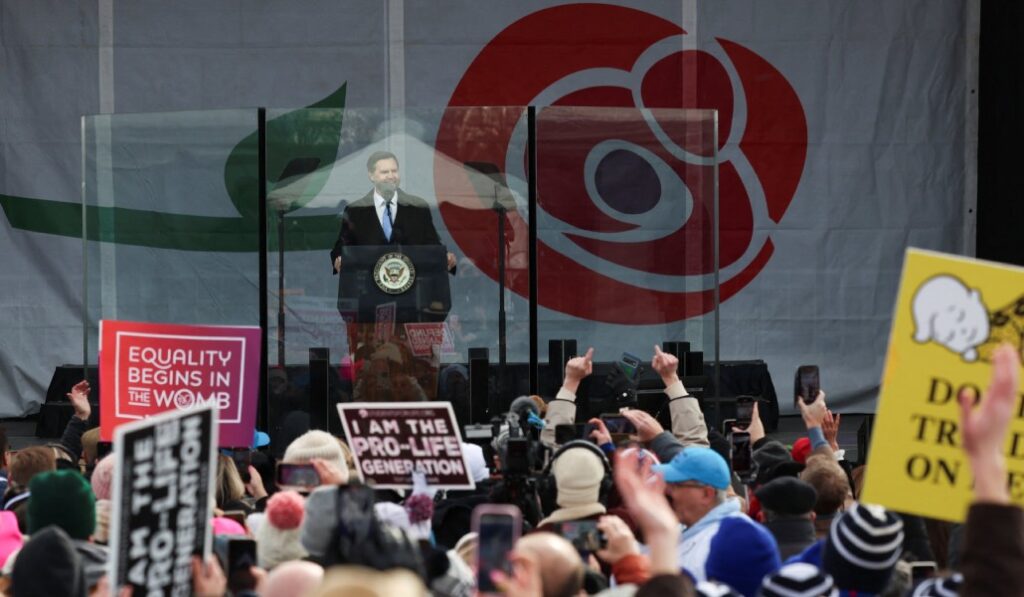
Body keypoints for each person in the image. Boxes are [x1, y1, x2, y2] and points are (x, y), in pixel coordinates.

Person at [330, 151, 456, 274]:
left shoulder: (417, 207)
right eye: (385, 172)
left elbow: (432, 244)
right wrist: (339, 258)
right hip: (368, 289)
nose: (391, 176)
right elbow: (342, 247)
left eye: (394, 171)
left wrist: (445, 256)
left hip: (412, 288)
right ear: (371, 175)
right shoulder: (355, 211)